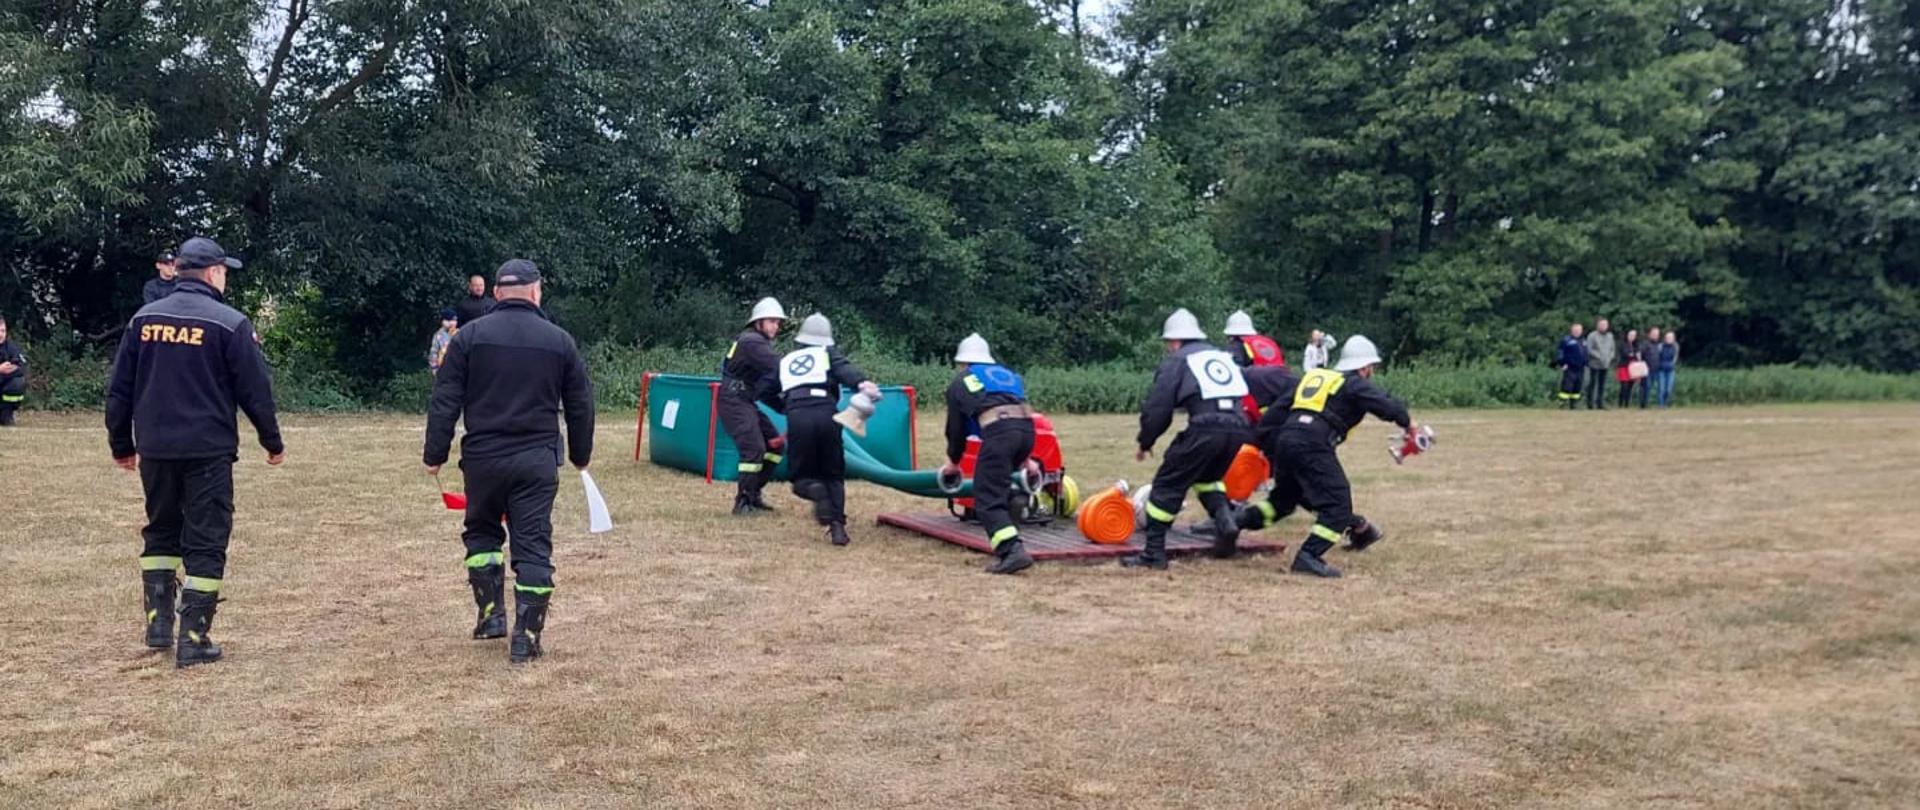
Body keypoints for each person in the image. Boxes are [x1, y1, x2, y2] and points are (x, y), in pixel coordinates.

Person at [104, 237, 284, 667]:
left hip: (156, 449)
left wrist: (121, 444)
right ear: (213, 273)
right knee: (206, 538)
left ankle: (158, 625)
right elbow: (255, 391)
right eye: (224, 272)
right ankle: (194, 638)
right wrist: (271, 441)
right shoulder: (229, 323)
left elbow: (120, 388)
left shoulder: (144, 319)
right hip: (208, 450)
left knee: (161, 530)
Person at [424, 259, 594, 664]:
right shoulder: (560, 341)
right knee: (532, 544)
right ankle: (526, 639)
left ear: (497, 293)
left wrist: (435, 454)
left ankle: (491, 616)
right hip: (536, 460)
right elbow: (581, 404)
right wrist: (580, 455)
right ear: (536, 292)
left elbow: (445, 399)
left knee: (482, 533)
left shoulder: (468, 338)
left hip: (483, 459)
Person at [1234, 335, 1411, 578]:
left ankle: (1232, 523)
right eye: (1372, 368)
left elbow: (1275, 413)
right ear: (1364, 368)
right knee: (1338, 505)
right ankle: (1309, 556)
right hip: (1312, 443)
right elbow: (1388, 406)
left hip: (1286, 440)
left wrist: (1267, 446)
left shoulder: (1315, 377)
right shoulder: (1353, 383)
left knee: (1282, 502)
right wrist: (1408, 423)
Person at [1123, 308, 1251, 570]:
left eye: (1168, 343)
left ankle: (1153, 554)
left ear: (1175, 340)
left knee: (1167, 484)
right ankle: (1226, 523)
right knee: (1208, 479)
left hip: (1206, 428)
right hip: (1239, 427)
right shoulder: (1221, 355)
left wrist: (1146, 441)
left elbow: (1158, 408)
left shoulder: (1178, 360)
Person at [939, 333, 1038, 575]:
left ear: (963, 362)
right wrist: (1026, 458)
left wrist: (953, 461)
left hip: (1000, 435)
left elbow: (956, 429)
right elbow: (1015, 412)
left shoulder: (962, 381)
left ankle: (1011, 550)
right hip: (1027, 431)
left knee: (986, 497)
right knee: (1002, 485)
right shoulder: (1008, 375)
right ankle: (1015, 504)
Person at [779, 313, 881, 547]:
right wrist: (863, 383)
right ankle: (838, 528)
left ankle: (814, 490)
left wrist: (787, 407)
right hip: (827, 416)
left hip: (798, 417)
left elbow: (766, 388)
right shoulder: (827, 354)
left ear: (801, 339)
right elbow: (845, 371)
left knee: (800, 478)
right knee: (833, 475)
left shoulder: (786, 361)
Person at [719, 298, 789, 515]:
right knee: (754, 448)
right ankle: (742, 503)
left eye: (778, 322)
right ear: (758, 322)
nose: (776, 326)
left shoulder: (756, 343)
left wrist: (786, 407)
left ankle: (753, 494)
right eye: (772, 321)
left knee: (774, 446)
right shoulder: (752, 342)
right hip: (734, 400)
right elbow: (780, 369)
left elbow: (764, 387)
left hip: (744, 399)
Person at [1584, 317, 1616, 410]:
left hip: (1605, 364)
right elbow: (1589, 349)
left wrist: (1610, 357)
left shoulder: (1610, 336)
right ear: (1597, 325)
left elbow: (1612, 349)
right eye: (1602, 324)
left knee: (1602, 385)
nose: (1604, 326)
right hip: (1594, 364)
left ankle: (1600, 403)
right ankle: (1590, 404)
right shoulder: (1592, 336)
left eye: (1605, 324)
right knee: (1592, 384)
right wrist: (1599, 357)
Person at [0, 315, 25, 426]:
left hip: (3, 386)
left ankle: (7, 414)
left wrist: (8, 371)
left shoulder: (11, 347)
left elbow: (21, 367)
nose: (1, 334)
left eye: (3, 331)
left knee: (17, 383)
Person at [1555, 323, 1586, 410]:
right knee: (1567, 386)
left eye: (1579, 330)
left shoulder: (1583, 341)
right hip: (1569, 367)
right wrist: (1562, 363)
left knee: (1577, 386)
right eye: (1576, 330)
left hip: (1580, 367)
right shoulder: (1566, 340)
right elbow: (1560, 353)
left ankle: (1574, 404)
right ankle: (1562, 403)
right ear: (1572, 330)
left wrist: (1586, 361)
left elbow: (1585, 353)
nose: (1577, 332)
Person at [426, 308, 458, 374]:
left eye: (454, 320)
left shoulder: (459, 334)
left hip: (457, 369)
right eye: (450, 320)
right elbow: (433, 353)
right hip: (443, 370)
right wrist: (435, 370)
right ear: (443, 321)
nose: (452, 323)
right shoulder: (438, 336)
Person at [1616, 328, 1642, 408]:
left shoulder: (1636, 345)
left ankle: (1626, 404)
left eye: (1634, 335)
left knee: (1630, 386)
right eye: (1630, 335)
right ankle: (1620, 403)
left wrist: (1634, 355)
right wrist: (1633, 355)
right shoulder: (1622, 343)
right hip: (1624, 366)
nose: (1632, 337)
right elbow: (1625, 353)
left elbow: (1638, 355)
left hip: (1633, 367)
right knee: (1624, 386)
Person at [1638, 327, 1663, 409]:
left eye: (1657, 334)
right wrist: (1641, 366)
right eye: (1654, 334)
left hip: (1656, 369)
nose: (1655, 335)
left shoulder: (1659, 345)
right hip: (1647, 369)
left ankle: (1650, 403)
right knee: (1646, 387)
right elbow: (1639, 354)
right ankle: (1643, 405)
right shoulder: (1645, 344)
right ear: (1650, 334)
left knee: (1652, 387)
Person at [1655, 331, 1679, 408]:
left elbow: (1675, 357)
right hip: (1661, 370)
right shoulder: (1660, 346)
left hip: (1671, 370)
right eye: (1667, 337)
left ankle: (1665, 403)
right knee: (1661, 389)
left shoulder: (1675, 346)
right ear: (1665, 338)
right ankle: (1661, 405)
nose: (1669, 338)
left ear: (1673, 338)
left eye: (1671, 337)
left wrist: (1672, 364)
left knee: (1668, 389)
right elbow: (1657, 357)